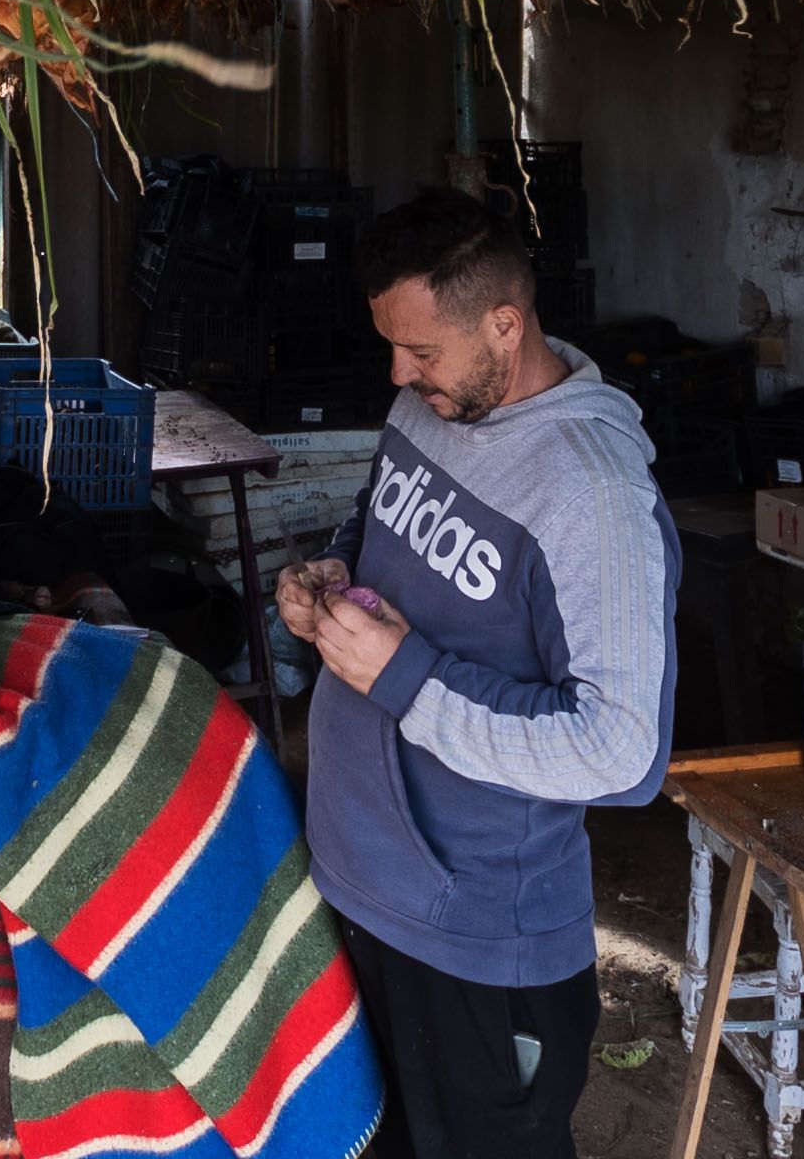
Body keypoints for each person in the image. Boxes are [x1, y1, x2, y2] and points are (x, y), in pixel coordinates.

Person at [278, 187, 680, 1159]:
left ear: (504, 324)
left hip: (474, 939)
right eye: (391, 346)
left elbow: (622, 752)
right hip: (360, 880)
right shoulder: (434, 401)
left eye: (420, 351)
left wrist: (405, 677)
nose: (398, 372)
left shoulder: (591, 495)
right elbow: (379, 518)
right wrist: (334, 567)